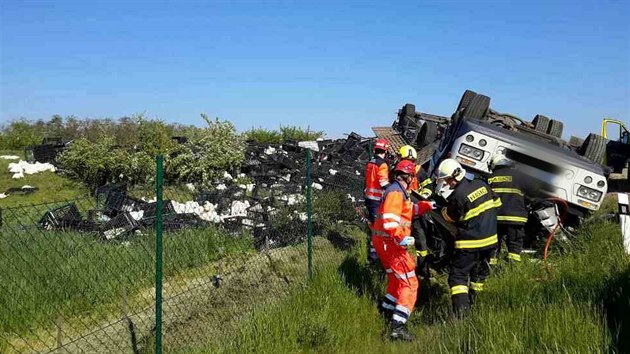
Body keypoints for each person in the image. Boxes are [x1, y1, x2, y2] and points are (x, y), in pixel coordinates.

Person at [372, 159, 434, 341]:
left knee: (395, 279)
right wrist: (401, 237)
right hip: (392, 244)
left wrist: (427, 206)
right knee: (410, 283)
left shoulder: (398, 191)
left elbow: (408, 211)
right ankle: (398, 326)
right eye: (412, 177)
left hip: (385, 243)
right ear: (407, 176)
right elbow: (390, 220)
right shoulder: (396, 193)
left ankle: (386, 310)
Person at [437, 158, 501, 316]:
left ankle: (461, 315)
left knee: (457, 277)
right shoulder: (482, 184)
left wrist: (443, 208)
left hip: (470, 244)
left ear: (453, 178)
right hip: (491, 241)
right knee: (478, 275)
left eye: (447, 180)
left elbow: (449, 217)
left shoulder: (458, 195)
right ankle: (475, 304)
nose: (448, 184)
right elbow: (497, 203)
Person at [398, 145, 434, 280]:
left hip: (414, 211)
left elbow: (428, 186)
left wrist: (422, 196)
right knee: (404, 240)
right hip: (406, 212)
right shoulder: (400, 171)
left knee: (420, 241)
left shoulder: (418, 171)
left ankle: (422, 270)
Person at [487, 154, 528, 264]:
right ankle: (512, 267)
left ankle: (491, 267)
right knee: (514, 244)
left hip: (496, 218)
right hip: (516, 218)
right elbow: (532, 192)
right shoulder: (519, 176)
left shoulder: (490, 179)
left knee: (494, 244)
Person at [364, 138, 391, 263]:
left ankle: (374, 253)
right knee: (378, 229)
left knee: (374, 226)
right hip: (377, 200)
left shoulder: (370, 162)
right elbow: (383, 181)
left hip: (369, 198)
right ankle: (374, 256)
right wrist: (393, 190)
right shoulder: (383, 165)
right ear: (385, 150)